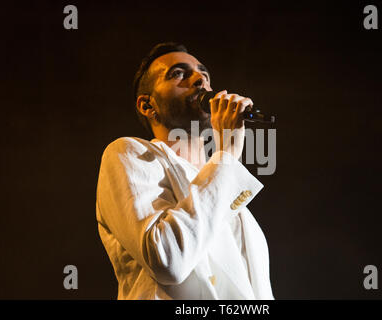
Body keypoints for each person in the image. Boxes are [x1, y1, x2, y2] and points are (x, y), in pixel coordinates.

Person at [95, 42, 274, 300]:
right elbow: (167, 260)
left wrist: (224, 162)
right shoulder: (128, 153)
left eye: (204, 74)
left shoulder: (225, 188)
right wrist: (226, 156)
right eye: (178, 73)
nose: (199, 79)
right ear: (147, 105)